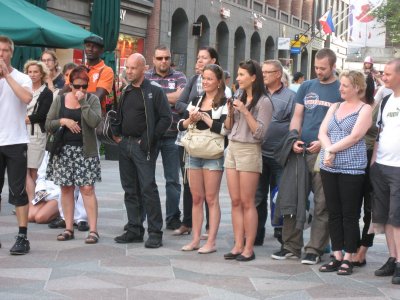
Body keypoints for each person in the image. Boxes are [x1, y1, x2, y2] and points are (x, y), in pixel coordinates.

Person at [272, 48, 341, 265]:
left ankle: (315, 248)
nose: (319, 72)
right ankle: (291, 245)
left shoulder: (341, 88)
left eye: (323, 68)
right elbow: (297, 116)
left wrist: (324, 143)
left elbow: (342, 123)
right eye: (316, 68)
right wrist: (294, 138)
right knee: (293, 199)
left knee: (322, 203)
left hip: (324, 153)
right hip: (300, 151)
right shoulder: (307, 86)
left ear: (333, 66)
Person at [113, 53, 172, 248]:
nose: (128, 71)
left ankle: (155, 232)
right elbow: (119, 115)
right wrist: (118, 136)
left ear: (144, 69)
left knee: (148, 188)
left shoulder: (154, 92)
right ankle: (134, 229)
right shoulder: (126, 91)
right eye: (127, 68)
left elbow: (166, 118)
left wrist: (149, 139)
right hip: (126, 145)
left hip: (143, 146)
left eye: (133, 68)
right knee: (129, 189)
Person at [318, 70, 372, 275]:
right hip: (329, 165)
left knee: (350, 214)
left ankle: (349, 256)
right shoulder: (335, 106)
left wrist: (330, 149)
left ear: (357, 88)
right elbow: (322, 131)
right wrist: (327, 149)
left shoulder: (364, 109)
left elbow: (355, 136)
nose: (340, 88)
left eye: (345, 85)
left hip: (352, 168)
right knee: (334, 212)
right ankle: (337, 254)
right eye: (340, 84)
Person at [45, 66, 102, 244]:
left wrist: (83, 102)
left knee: (87, 189)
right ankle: (69, 227)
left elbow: (94, 122)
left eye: (84, 86)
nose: (81, 90)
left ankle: (93, 230)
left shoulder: (91, 99)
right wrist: (64, 121)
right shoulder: (60, 99)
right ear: (70, 85)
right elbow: (48, 124)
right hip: (64, 151)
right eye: (77, 86)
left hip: (85, 152)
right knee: (66, 188)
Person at [223, 59, 273, 262]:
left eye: (242, 74)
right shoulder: (238, 95)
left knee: (247, 201)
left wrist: (244, 110)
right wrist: (230, 112)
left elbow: (260, 133)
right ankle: (237, 245)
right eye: (238, 74)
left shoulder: (264, 102)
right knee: (235, 201)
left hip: (250, 150)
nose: (238, 78)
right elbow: (228, 126)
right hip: (233, 147)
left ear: (254, 77)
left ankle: (249, 248)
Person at [174, 46, 226, 238]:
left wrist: (204, 117)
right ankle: (193, 234)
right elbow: (180, 116)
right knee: (194, 194)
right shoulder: (195, 95)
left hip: (213, 152)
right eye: (203, 79)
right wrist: (191, 117)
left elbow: (224, 129)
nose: (204, 82)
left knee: (211, 198)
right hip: (192, 149)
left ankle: (210, 236)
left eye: (209, 79)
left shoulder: (224, 100)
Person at [144, 45, 187, 230]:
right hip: (150, 135)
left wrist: (155, 96)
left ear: (171, 59)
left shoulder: (180, 77)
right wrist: (171, 97)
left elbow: (181, 98)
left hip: (172, 135)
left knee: (173, 180)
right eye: (160, 58)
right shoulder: (145, 77)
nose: (164, 61)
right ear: (153, 59)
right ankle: (141, 218)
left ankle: (172, 218)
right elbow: (142, 99)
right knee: (146, 179)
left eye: (167, 58)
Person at [255, 60, 296, 246]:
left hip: (281, 155)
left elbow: (295, 125)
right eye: (262, 72)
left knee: (280, 195)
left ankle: (281, 233)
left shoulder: (290, 96)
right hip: (259, 153)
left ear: (278, 74)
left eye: (267, 72)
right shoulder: (257, 94)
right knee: (258, 195)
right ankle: (256, 233)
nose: (263, 75)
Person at [0, 35, 33, 254]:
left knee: (18, 191)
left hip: (15, 141)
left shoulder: (22, 78)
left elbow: (26, 98)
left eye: (4, 50)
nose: (0, 54)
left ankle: (22, 236)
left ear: (11, 53)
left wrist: (7, 76)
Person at [370, 58, 400, 285]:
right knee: (386, 216)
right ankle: (392, 258)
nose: (384, 77)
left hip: (398, 169)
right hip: (381, 166)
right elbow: (379, 133)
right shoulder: (386, 100)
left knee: (397, 218)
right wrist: (373, 163)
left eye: (388, 74)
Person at [352, 73, 376, 266]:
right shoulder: (346, 105)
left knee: (369, 207)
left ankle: (363, 249)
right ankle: (350, 246)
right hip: (349, 156)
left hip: (371, 157)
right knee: (351, 205)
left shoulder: (377, 106)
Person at [24, 60, 53, 214]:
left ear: (42, 74)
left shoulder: (46, 92)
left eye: (36, 72)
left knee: (34, 169)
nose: (33, 75)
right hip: (20, 133)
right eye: (30, 72)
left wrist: (21, 119)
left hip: (36, 134)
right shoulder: (24, 89)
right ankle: (31, 201)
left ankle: (34, 201)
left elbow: (41, 115)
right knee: (23, 169)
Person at [83, 36, 114, 113]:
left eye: (94, 47)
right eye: (88, 46)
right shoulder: (79, 69)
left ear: (101, 50)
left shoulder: (106, 70)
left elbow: (96, 97)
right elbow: (64, 92)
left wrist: (73, 95)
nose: (90, 49)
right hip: (75, 116)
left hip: (94, 117)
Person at [28, 152, 60, 223]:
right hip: (45, 192)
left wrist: (48, 195)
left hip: (58, 194)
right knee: (30, 216)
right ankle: (48, 208)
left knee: (40, 218)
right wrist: (41, 191)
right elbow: (41, 177)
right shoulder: (47, 152)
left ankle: (62, 213)